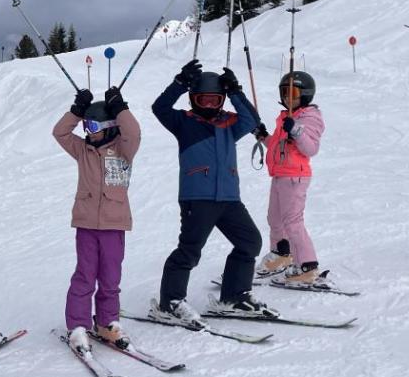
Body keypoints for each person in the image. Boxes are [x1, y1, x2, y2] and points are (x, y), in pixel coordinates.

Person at [151, 59, 263, 325]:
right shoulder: (184, 122)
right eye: (204, 100)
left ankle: (234, 297)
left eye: (216, 100)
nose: (210, 106)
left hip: (229, 199)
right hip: (197, 199)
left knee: (250, 242)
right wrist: (179, 84)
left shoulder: (230, 124)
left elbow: (252, 120)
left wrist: (235, 91)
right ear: (194, 99)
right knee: (190, 250)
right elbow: (160, 108)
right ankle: (170, 303)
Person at [52, 85, 141, 354]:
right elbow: (60, 132)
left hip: (114, 224)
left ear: (109, 125)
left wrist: (120, 107)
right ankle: (78, 325)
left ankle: (107, 322)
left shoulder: (124, 149)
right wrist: (76, 111)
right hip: (87, 224)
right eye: (85, 126)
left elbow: (133, 131)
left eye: (92, 126)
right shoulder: (83, 150)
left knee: (110, 278)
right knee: (85, 276)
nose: (87, 131)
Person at [255, 70, 326, 287]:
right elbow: (279, 146)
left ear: (305, 94)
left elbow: (310, 148)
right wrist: (263, 137)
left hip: (295, 177)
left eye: (293, 93)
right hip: (280, 175)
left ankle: (307, 266)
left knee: (293, 222)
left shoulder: (309, 118)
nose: (288, 97)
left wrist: (296, 130)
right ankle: (281, 254)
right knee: (274, 219)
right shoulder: (286, 117)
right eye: (284, 92)